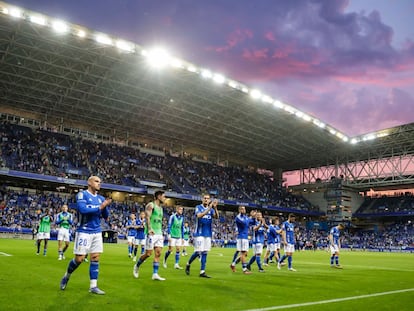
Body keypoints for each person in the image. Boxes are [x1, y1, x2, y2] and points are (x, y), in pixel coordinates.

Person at [59, 176, 112, 295]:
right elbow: (83, 209)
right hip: (84, 231)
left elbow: (105, 215)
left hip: (97, 231)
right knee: (79, 259)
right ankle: (67, 275)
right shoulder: (82, 195)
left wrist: (106, 207)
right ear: (89, 182)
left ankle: (93, 286)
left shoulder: (100, 198)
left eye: (100, 182)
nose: (99, 184)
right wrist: (101, 206)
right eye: (97, 181)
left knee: (95, 257)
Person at [133, 191, 166, 281]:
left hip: (159, 233)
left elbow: (159, 220)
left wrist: (161, 232)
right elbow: (147, 217)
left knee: (158, 253)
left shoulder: (161, 208)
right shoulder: (151, 205)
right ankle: (137, 265)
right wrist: (150, 229)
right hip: (151, 233)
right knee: (148, 254)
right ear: (158, 196)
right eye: (163, 196)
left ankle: (155, 274)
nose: (164, 198)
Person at [185, 194, 219, 278]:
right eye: (205, 198)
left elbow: (217, 217)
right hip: (199, 233)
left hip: (208, 234)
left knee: (205, 252)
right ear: (202, 199)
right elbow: (199, 215)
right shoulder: (198, 207)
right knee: (198, 252)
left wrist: (215, 208)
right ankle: (188, 263)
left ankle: (202, 271)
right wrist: (209, 208)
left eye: (208, 199)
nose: (206, 200)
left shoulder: (210, 209)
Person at [230, 206, 255, 274]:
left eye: (244, 209)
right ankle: (244, 269)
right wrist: (250, 217)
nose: (244, 210)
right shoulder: (238, 217)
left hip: (245, 237)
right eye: (242, 209)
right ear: (239, 210)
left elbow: (253, 222)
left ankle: (233, 264)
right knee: (243, 253)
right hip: (241, 237)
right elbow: (244, 223)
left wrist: (254, 217)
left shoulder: (245, 217)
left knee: (245, 254)